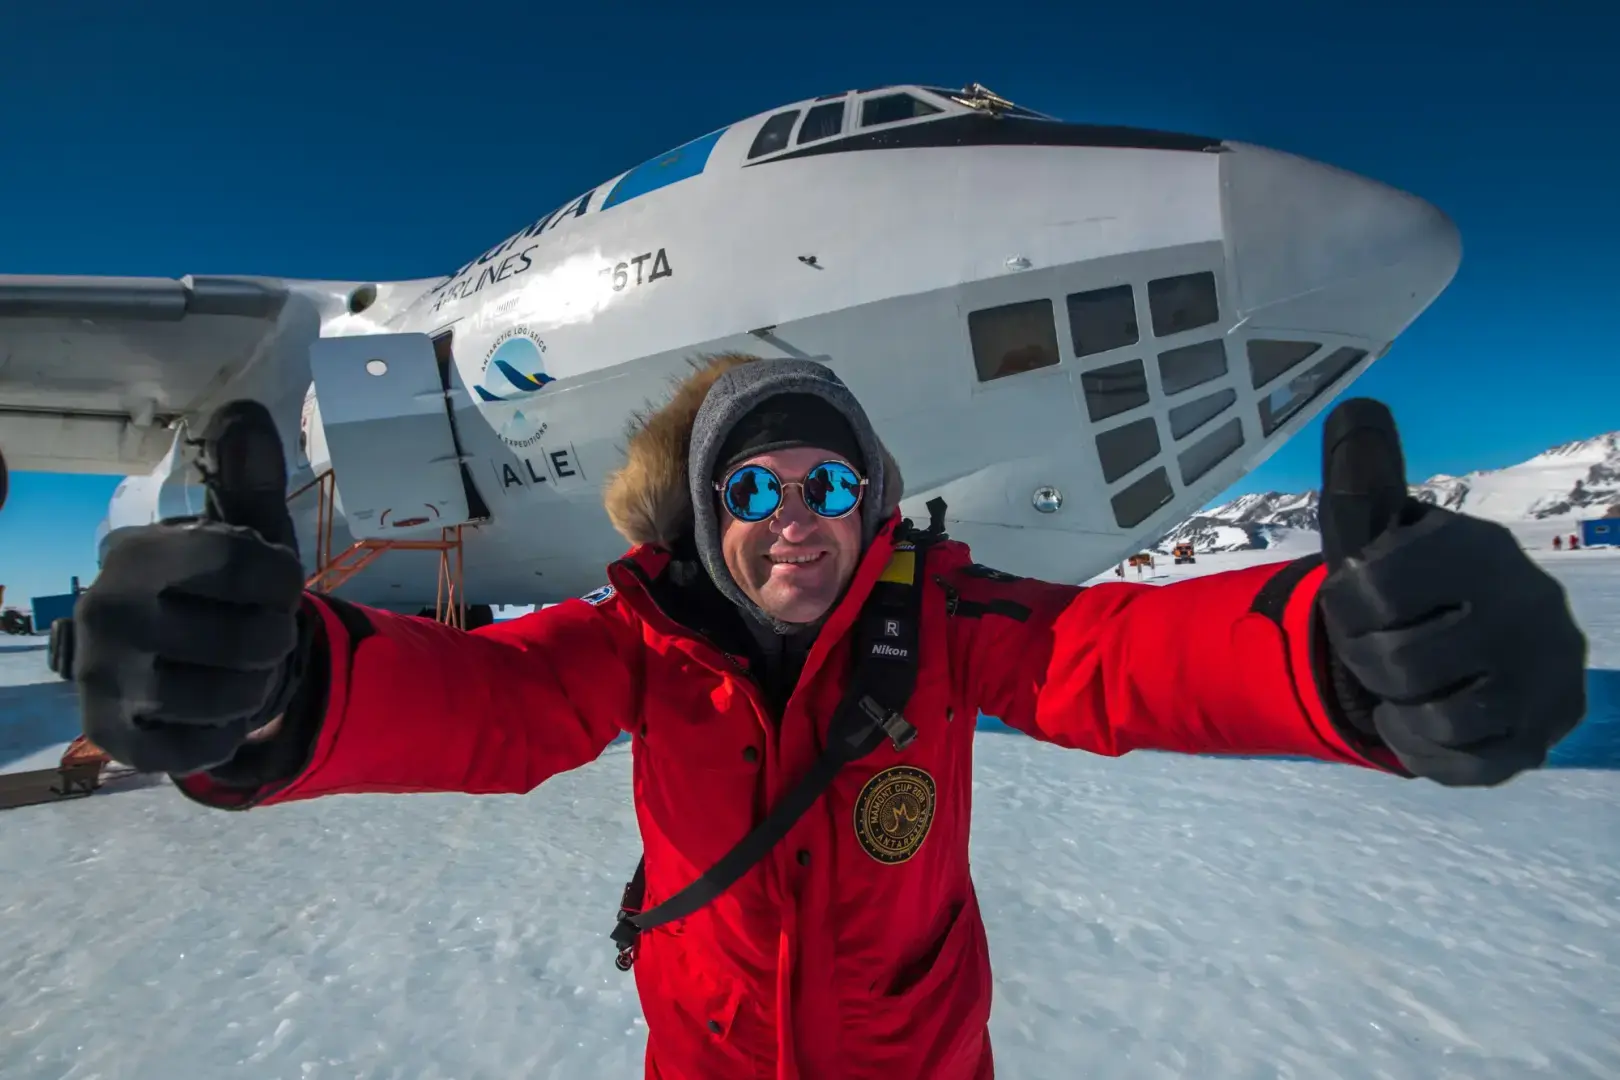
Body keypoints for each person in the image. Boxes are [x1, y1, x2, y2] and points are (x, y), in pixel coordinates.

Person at [70, 353, 1587, 1080]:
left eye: (828, 485)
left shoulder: (945, 623)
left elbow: (1107, 660)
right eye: (754, 489)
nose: (793, 519)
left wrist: (1337, 658)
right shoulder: (641, 645)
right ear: (703, 514)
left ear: (873, 503)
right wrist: (281, 695)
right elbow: (491, 704)